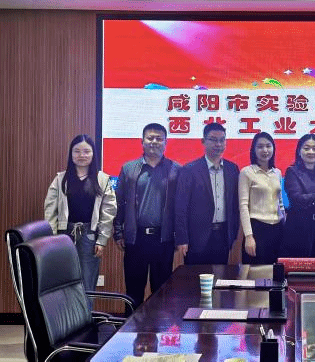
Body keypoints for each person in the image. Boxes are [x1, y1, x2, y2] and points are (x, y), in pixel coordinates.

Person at [114, 123, 180, 306]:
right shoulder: (129, 169)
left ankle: (157, 325)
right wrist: (118, 233)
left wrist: (179, 236)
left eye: (159, 138)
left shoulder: (176, 170)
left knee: (162, 293)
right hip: (136, 239)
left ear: (166, 142)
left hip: (163, 239)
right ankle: (131, 325)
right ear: (142, 141)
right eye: (150, 138)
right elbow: (118, 202)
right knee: (133, 292)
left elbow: (180, 207)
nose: (154, 142)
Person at [44, 134, 117, 292]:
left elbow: (108, 211)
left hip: (89, 235)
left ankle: (86, 310)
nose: (81, 155)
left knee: (87, 282)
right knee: (64, 281)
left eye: (86, 151)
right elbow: (50, 211)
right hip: (64, 235)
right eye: (77, 151)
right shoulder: (61, 179)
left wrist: (102, 240)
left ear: (93, 154)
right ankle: (66, 310)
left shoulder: (102, 179)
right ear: (71, 154)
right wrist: (52, 238)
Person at [175, 123, 240, 265]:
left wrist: (233, 234)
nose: (218, 144)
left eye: (222, 140)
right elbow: (181, 207)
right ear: (203, 141)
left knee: (220, 276)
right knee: (194, 277)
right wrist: (182, 238)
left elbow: (235, 205)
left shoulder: (232, 169)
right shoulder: (190, 170)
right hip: (196, 238)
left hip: (223, 236)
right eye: (213, 140)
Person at [239, 132, 285, 264]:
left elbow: (280, 202)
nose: (265, 150)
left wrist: (284, 223)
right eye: (260, 147)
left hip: (277, 229)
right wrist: (249, 236)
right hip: (257, 229)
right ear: (253, 150)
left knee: (276, 270)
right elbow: (243, 206)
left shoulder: (277, 172)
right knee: (256, 272)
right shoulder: (247, 172)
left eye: (268, 146)